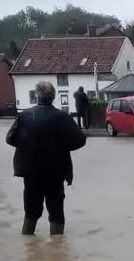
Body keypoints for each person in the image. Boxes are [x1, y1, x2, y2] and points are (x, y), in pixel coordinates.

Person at [7, 81, 87, 235]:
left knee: (30, 212)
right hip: (56, 172)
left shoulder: (23, 116)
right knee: (56, 212)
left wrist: (27, 144)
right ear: (54, 97)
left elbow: (10, 139)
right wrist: (61, 146)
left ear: (37, 96)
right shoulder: (63, 117)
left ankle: (29, 247)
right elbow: (80, 140)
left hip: (30, 172)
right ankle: (57, 249)